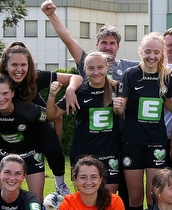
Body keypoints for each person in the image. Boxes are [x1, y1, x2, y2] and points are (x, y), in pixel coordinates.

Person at [0, 41, 80, 196]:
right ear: (5, 65)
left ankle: (60, 184)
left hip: (34, 120)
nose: (19, 69)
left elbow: (75, 78)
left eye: (23, 65)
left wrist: (70, 89)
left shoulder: (37, 77)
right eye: (14, 65)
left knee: (53, 148)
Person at [114, 32, 172, 210]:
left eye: (156, 52)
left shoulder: (166, 76)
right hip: (132, 141)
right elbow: (121, 108)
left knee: (153, 195)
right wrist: (118, 107)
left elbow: (169, 105)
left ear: (161, 54)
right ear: (141, 51)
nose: (151, 56)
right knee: (135, 196)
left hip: (157, 142)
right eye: (147, 51)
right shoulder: (131, 74)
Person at [0, 72, 52, 200]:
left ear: (12, 93)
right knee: (4, 198)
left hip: (30, 152)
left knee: (36, 198)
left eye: (5, 93)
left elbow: (52, 117)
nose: (1, 98)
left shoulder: (29, 110)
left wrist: (49, 145)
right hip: (3, 154)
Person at [44, 52, 121, 193]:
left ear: (107, 67)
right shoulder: (78, 92)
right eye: (91, 68)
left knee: (108, 199)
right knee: (85, 199)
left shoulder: (118, 89)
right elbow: (52, 115)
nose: (96, 72)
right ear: (84, 69)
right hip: (83, 152)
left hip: (110, 152)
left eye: (100, 67)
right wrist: (52, 95)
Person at [41, 0, 138, 82]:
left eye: (112, 43)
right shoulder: (86, 61)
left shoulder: (127, 66)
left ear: (118, 46)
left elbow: (151, 62)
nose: (107, 47)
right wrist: (51, 15)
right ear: (97, 44)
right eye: (104, 42)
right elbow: (68, 41)